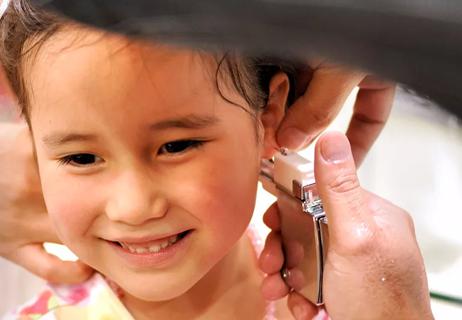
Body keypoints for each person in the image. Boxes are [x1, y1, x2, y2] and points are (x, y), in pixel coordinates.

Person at [0, 1, 432, 319]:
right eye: (81, 157)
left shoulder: (356, 303)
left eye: (176, 146)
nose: (133, 207)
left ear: (268, 116)